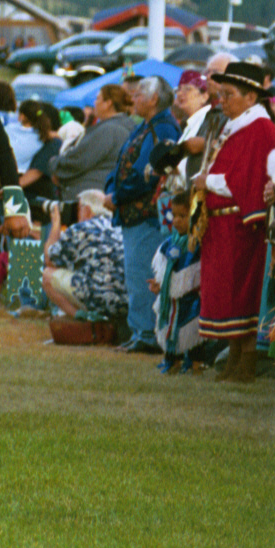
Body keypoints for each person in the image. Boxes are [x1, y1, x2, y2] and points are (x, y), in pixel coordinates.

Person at [197, 61, 275, 382]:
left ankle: (245, 361)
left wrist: (210, 182)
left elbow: (250, 179)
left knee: (242, 292)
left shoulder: (261, 130)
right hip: (221, 225)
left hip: (243, 226)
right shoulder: (236, 128)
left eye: (229, 95)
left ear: (251, 97)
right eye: (222, 94)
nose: (222, 101)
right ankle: (233, 357)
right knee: (228, 293)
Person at [108, 76, 181, 354]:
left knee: (141, 274)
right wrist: (112, 188)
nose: (133, 98)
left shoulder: (162, 128)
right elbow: (125, 164)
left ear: (153, 99)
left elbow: (147, 175)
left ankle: (147, 335)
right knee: (135, 273)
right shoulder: (148, 126)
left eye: (139, 94)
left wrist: (116, 196)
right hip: (135, 212)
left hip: (146, 214)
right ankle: (140, 331)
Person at [40, 190, 125, 322]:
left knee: (47, 274)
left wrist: (56, 222)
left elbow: (49, 260)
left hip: (98, 300)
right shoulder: (120, 227)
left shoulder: (80, 228)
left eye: (78, 208)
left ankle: (81, 317)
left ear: (86, 210)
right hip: (124, 301)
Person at [150, 191, 211, 374]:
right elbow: (164, 270)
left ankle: (195, 362)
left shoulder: (198, 244)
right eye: (174, 215)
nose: (176, 221)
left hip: (192, 298)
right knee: (170, 327)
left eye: (182, 216)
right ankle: (172, 360)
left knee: (191, 329)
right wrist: (158, 284)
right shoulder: (170, 243)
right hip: (171, 299)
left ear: (194, 215)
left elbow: (203, 272)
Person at [52, 84, 134, 202]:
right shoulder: (123, 125)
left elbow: (78, 160)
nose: (94, 103)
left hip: (91, 197)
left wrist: (54, 164)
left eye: (98, 98)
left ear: (108, 103)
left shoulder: (110, 129)